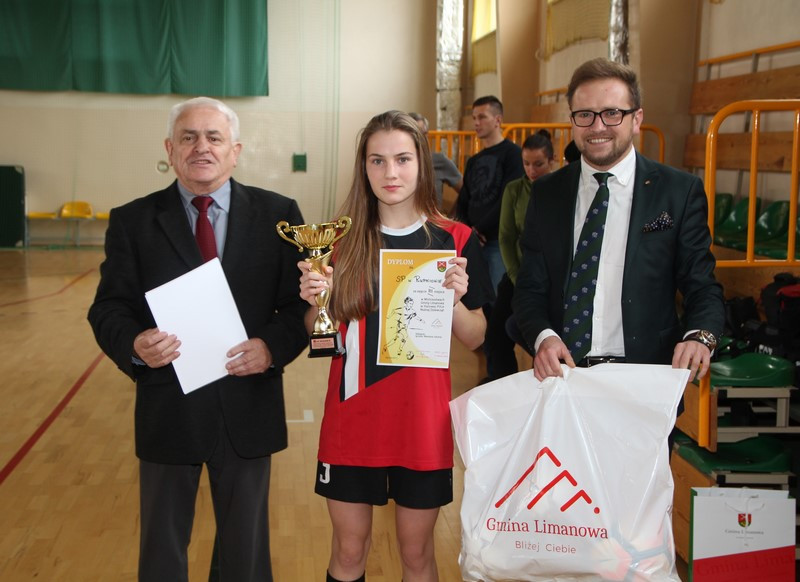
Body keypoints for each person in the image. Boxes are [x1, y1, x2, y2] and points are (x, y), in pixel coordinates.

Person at [87, 97, 309, 582]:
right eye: (188, 137)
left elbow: (300, 308)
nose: (201, 147)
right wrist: (135, 345)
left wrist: (270, 348)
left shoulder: (279, 215)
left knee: (246, 556)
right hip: (169, 407)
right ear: (170, 150)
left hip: (248, 406)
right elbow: (108, 308)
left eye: (214, 137)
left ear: (236, 150)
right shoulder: (132, 220)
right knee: (162, 553)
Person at [298, 110, 493, 582]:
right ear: (363, 167)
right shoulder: (338, 241)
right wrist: (315, 302)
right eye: (377, 160)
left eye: (403, 159)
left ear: (422, 163)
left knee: (417, 554)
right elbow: (317, 333)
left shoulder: (457, 238)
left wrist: (453, 300)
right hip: (352, 416)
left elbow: (476, 336)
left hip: (420, 421)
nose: (391, 172)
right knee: (348, 551)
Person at [513, 58, 725, 383]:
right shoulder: (547, 193)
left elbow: (702, 285)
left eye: (612, 113)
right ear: (572, 121)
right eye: (585, 114)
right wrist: (544, 337)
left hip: (646, 379)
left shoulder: (678, 192)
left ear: (636, 119)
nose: (598, 127)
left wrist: (700, 336)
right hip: (563, 376)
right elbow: (529, 288)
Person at [484, 130, 556, 379]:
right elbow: (506, 237)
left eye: (539, 164)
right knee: (495, 339)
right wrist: (516, 276)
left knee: (535, 334)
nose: (532, 170)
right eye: (526, 163)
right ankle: (503, 385)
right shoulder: (514, 189)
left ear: (552, 161)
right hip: (518, 274)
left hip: (550, 278)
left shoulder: (560, 188)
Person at [455, 95, 524, 292]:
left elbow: (507, 199)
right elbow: (464, 199)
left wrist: (479, 229)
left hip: (496, 240)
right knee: (472, 296)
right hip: (473, 240)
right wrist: (468, 230)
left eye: (482, 117)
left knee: (496, 295)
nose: (476, 123)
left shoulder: (513, 154)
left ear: (498, 120)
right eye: (474, 118)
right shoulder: (473, 160)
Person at [407, 112, 462, 210]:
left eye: (423, 133)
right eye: (414, 134)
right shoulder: (394, 165)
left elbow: (466, 192)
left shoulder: (439, 160)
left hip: (432, 219)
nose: (419, 138)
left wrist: (451, 216)